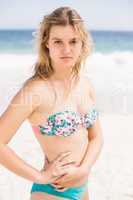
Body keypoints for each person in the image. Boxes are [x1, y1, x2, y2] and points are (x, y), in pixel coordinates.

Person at [0, 6, 103, 200]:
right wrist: (40, 176)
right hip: (52, 193)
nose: (67, 49)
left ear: (83, 43)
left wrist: (84, 169)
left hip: (83, 188)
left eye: (73, 41)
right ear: (46, 43)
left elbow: (96, 137)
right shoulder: (35, 90)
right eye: (58, 41)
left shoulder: (85, 84)